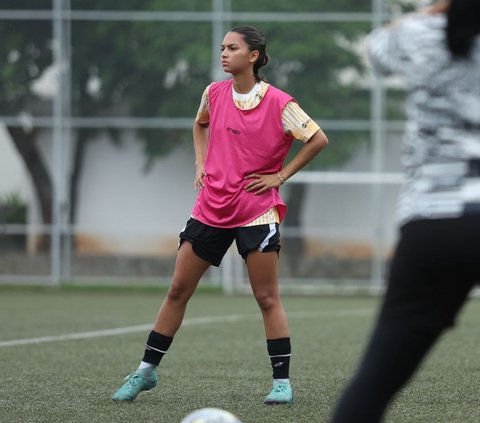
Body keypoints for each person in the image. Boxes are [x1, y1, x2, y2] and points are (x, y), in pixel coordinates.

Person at [112, 25, 328, 404]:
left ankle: (282, 383)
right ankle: (145, 372)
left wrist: (279, 176)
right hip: (210, 207)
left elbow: (317, 139)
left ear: (254, 56)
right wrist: (200, 162)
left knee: (266, 298)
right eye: (222, 47)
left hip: (256, 211)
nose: (223, 54)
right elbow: (200, 124)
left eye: (232, 48)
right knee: (178, 289)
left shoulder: (280, 103)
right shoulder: (213, 93)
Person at [331, 0, 480, 421]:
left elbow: (375, 49)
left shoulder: (418, 36)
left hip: (433, 224)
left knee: (375, 382)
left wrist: (436, 11)